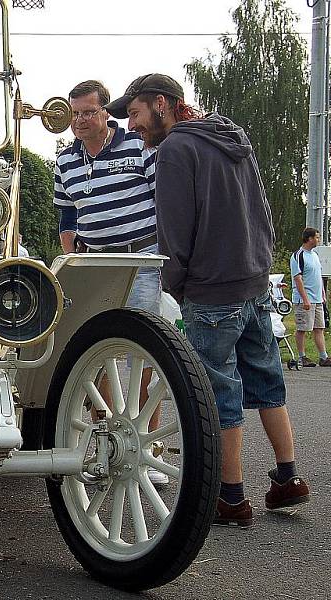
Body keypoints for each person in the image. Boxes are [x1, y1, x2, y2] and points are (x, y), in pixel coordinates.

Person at [107, 73, 311, 527]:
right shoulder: (231, 134)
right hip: (254, 280)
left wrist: (175, 285)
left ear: (163, 103)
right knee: (266, 382)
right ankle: (287, 478)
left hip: (211, 290)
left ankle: (231, 497)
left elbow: (174, 230)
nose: (134, 125)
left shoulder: (176, 148)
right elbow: (261, 210)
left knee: (218, 394)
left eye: (136, 113)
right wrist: (260, 265)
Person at [53, 80, 166, 485]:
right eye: (74, 114)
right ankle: (105, 438)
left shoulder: (139, 146)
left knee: (145, 354)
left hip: (139, 260)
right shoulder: (64, 161)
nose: (79, 121)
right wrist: (72, 254)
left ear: (106, 113)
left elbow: (161, 199)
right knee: (93, 350)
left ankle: (148, 446)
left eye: (87, 112)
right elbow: (66, 217)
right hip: (93, 264)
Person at [290, 227, 329, 367]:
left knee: (319, 328)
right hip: (304, 299)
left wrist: (323, 295)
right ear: (310, 239)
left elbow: (318, 277)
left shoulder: (315, 255)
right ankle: (302, 357)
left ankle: (323, 357)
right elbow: (298, 278)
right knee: (302, 328)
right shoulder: (298, 255)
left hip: (317, 299)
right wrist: (305, 299)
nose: (318, 240)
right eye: (317, 237)